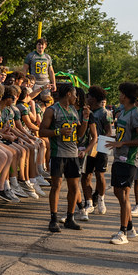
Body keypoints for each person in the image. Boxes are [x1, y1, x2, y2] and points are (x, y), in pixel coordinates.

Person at [39, 83, 89, 232]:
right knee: (56, 186)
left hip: (73, 154)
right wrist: (58, 132)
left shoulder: (73, 110)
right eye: (74, 95)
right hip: (58, 153)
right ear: (68, 94)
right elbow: (42, 131)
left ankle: (70, 218)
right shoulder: (52, 110)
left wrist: (85, 119)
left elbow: (80, 134)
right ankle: (53, 219)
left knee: (74, 187)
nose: (76, 98)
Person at [106, 82, 138, 245]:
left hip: (129, 159)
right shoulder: (123, 112)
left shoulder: (137, 114)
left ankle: (122, 232)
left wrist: (122, 143)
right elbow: (124, 135)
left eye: (120, 93)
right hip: (119, 157)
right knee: (118, 192)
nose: (119, 96)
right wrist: (113, 140)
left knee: (124, 195)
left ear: (125, 95)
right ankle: (130, 228)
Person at [81, 85, 111, 218]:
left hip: (101, 146)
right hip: (87, 146)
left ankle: (101, 198)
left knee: (100, 174)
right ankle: (89, 202)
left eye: (88, 96)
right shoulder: (86, 111)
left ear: (93, 98)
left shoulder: (104, 113)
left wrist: (100, 143)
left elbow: (109, 131)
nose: (86, 98)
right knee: (86, 175)